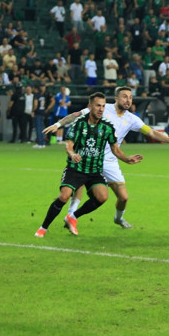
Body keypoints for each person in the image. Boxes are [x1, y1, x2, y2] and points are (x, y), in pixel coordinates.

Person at [44, 87, 169, 229]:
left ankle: (118, 218)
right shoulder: (102, 107)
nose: (128, 100)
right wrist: (58, 124)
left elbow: (151, 132)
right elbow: (76, 115)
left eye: (131, 97)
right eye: (125, 96)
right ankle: (71, 216)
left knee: (124, 197)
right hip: (90, 155)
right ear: (116, 98)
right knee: (79, 184)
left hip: (110, 161)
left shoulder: (132, 119)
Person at [34, 92, 142, 238]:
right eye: (98, 105)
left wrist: (127, 159)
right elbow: (69, 145)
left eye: (103, 106)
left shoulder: (107, 128)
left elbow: (115, 149)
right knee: (64, 196)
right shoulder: (79, 124)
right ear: (90, 106)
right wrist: (72, 154)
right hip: (76, 168)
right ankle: (43, 227)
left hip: (94, 171)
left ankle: (73, 216)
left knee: (102, 197)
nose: (101, 109)